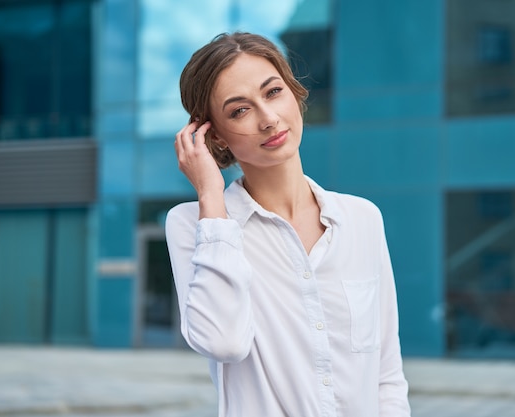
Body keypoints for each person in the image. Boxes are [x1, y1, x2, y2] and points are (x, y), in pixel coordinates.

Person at [166, 32, 411, 417]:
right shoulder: (194, 224)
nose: (268, 119)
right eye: (239, 111)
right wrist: (210, 197)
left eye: (273, 92)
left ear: (294, 93)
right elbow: (223, 342)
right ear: (213, 136)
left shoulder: (363, 218)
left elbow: (386, 373)